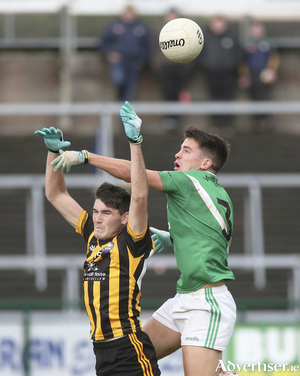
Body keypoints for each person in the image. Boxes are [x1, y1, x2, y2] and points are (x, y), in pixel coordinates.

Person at [50, 103, 237, 376]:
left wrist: (86, 157)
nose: (178, 153)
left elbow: (135, 178)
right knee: (135, 356)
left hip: (206, 304)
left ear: (205, 164)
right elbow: (210, 238)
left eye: (186, 150)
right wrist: (173, 237)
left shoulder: (190, 181)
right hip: (184, 299)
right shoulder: (214, 193)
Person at [34, 104, 161, 376]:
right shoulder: (93, 234)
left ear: (125, 218)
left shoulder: (133, 241)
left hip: (129, 348)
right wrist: (53, 153)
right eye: (95, 212)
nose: (98, 218)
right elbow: (55, 194)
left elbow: (139, 195)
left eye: (106, 213)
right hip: (101, 351)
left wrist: (135, 143)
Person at [197, 15, 242, 137]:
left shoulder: (231, 36)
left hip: (229, 74)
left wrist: (233, 66)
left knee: (227, 98)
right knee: (214, 98)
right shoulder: (205, 37)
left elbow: (239, 53)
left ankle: (227, 125)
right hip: (211, 74)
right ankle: (215, 125)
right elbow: (199, 54)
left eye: (221, 25)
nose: (218, 28)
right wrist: (206, 65)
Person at [151, 8, 193, 132]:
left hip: (180, 68)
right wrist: (158, 65)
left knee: (179, 94)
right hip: (165, 68)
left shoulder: (185, 31)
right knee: (167, 93)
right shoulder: (159, 31)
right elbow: (154, 50)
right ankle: (169, 119)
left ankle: (178, 119)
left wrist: (186, 66)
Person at [98, 4, 151, 101]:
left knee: (130, 89)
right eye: (127, 13)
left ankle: (125, 114)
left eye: (131, 13)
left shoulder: (141, 27)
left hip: (134, 62)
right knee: (119, 80)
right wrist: (109, 53)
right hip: (119, 62)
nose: (129, 15)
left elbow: (147, 46)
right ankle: (120, 103)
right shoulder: (114, 26)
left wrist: (142, 60)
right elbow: (103, 43)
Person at [238, 21, 280, 133]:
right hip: (251, 76)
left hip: (265, 75)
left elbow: (274, 59)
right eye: (254, 29)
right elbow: (241, 61)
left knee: (264, 97)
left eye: (259, 29)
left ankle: (266, 121)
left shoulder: (268, 43)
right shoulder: (246, 43)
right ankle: (256, 122)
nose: (257, 32)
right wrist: (244, 76)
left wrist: (272, 72)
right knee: (254, 98)